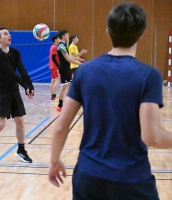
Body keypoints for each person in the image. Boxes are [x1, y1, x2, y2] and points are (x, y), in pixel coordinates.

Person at [49, 2, 170, 199]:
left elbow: (61, 126)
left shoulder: (85, 72)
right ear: (141, 33)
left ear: (108, 32)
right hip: (131, 179)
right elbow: (152, 136)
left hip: (88, 177)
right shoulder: (149, 76)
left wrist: (54, 160)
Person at [0, 27, 35, 164]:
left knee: (20, 121)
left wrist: (30, 86)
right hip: (3, 91)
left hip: (14, 90)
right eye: (5, 34)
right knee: (2, 124)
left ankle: (21, 150)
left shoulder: (15, 52)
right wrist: (25, 86)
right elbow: (12, 73)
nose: (9, 35)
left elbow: (21, 69)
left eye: (9, 33)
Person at [56, 30, 84, 112]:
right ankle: (60, 105)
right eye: (67, 35)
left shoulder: (63, 45)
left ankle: (69, 104)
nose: (68, 37)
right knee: (64, 86)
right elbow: (67, 58)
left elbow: (69, 57)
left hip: (66, 67)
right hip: (64, 68)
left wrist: (78, 59)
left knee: (69, 86)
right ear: (63, 36)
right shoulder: (61, 46)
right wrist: (79, 64)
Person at [49, 34, 61, 101]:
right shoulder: (55, 47)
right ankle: (54, 96)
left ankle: (53, 96)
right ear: (55, 40)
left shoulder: (52, 46)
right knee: (57, 80)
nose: (60, 40)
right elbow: (53, 58)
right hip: (55, 66)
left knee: (53, 80)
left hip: (52, 66)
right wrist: (59, 66)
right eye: (59, 38)